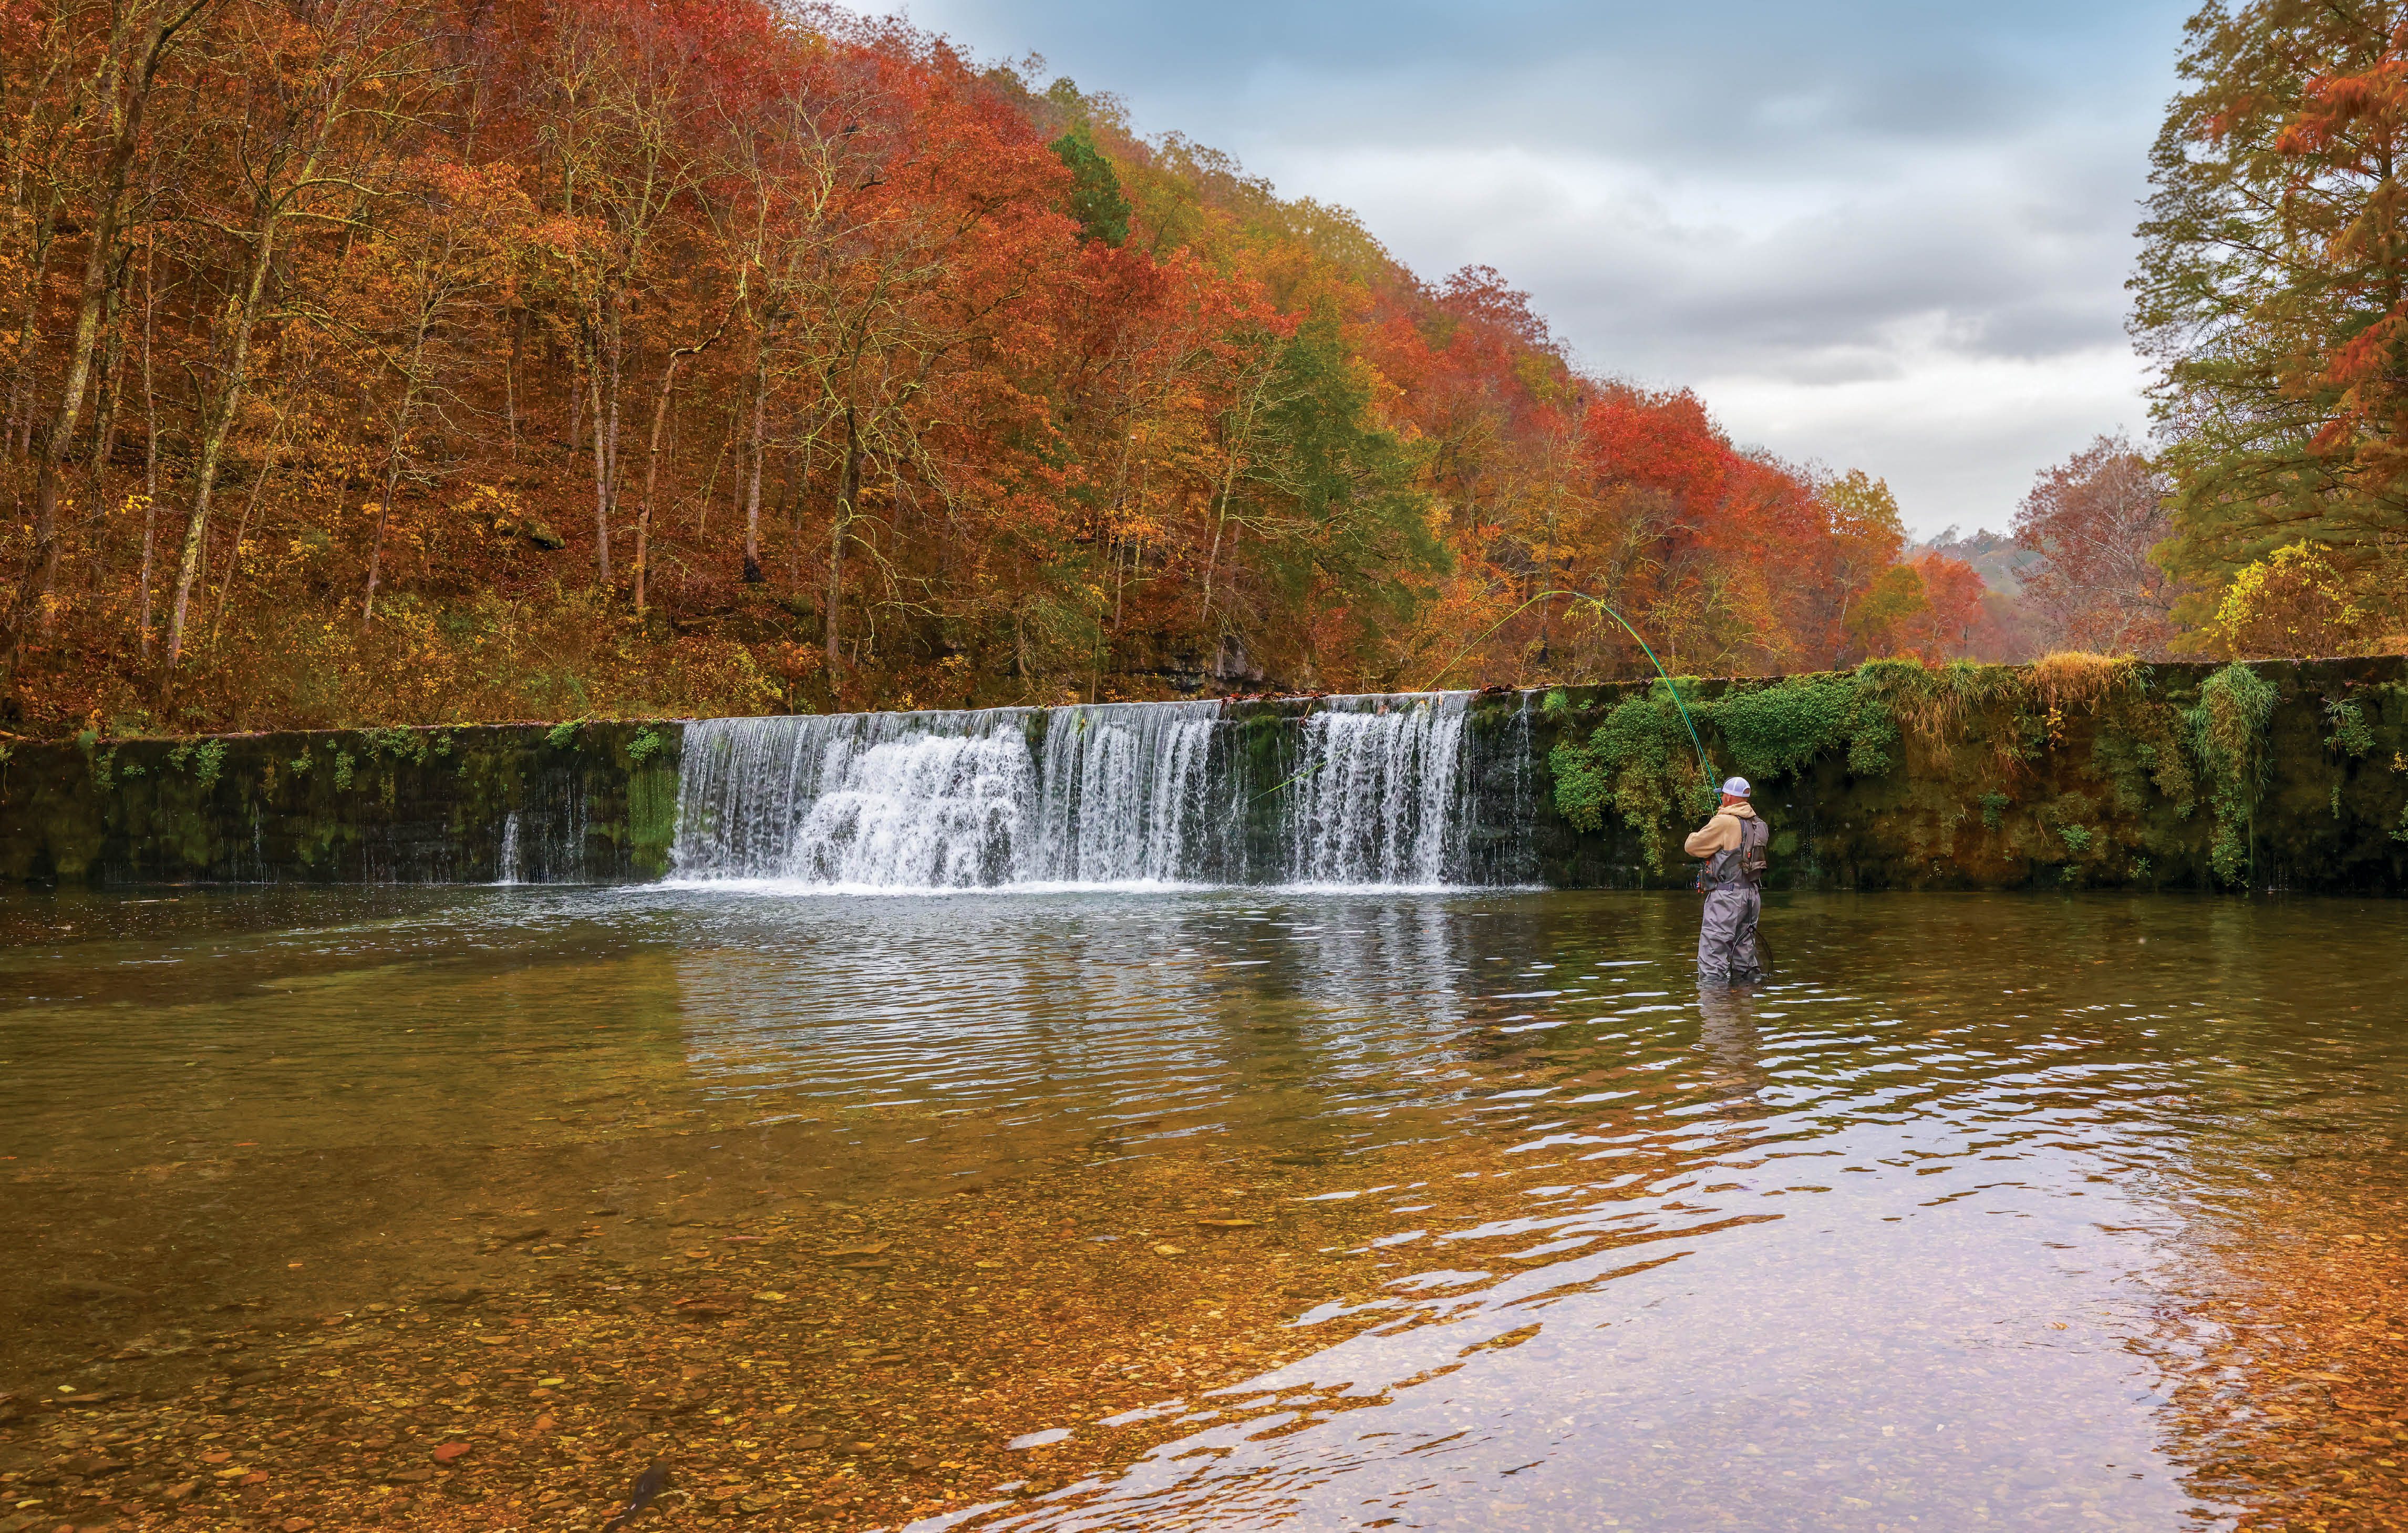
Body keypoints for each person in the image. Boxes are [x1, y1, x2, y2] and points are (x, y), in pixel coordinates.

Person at [1684, 776, 1768, 986]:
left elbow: (1692, 846)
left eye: (1723, 795)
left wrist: (1716, 821)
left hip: (1726, 898)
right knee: (1745, 959)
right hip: (1752, 897)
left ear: (1730, 798)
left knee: (1712, 959)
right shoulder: (1760, 825)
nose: (1721, 798)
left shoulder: (1724, 822)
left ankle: (1716, 1012)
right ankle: (1744, 1008)